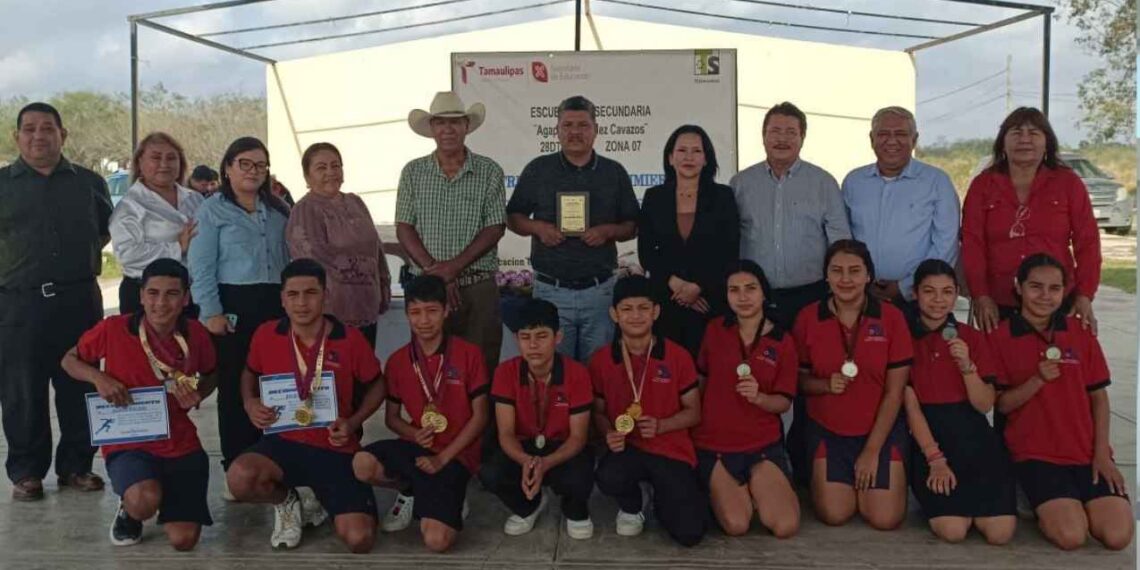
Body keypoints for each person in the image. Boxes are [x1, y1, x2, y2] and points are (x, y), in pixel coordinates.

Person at [226, 259, 385, 552]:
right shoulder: (266, 334)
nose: (302, 303)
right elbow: (250, 372)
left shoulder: (349, 338)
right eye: (293, 294)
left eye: (311, 293)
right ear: (282, 299)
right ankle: (286, 501)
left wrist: (353, 422)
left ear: (326, 295)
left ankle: (322, 499)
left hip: (335, 447)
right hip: (282, 442)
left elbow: (378, 384)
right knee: (240, 477)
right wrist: (250, 402)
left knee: (359, 540)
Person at [60, 259, 216, 550]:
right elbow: (69, 360)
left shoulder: (196, 334)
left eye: (171, 294)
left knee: (184, 541)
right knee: (144, 501)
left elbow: (211, 372)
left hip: (178, 440)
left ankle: (160, 490)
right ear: (141, 295)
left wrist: (199, 391)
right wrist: (99, 378)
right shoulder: (114, 329)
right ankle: (130, 509)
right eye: (153, 293)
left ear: (185, 298)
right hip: (129, 439)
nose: (161, 303)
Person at [0, 102, 111, 501]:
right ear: (17, 137)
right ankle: (27, 473)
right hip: (17, 306)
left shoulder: (89, 183)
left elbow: (102, 232)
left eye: (47, 128)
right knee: (21, 391)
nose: (38, 136)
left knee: (79, 386)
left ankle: (76, 466)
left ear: (63, 135)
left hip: (77, 301)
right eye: (29, 129)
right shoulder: (2, 185)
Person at [990, 254, 1133, 551]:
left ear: (1065, 291)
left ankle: (1075, 502)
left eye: (1054, 288)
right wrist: (1037, 380)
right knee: (1071, 537)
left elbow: (1099, 398)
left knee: (1118, 537)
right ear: (1018, 287)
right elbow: (1001, 405)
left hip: (1085, 452)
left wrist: (1102, 454)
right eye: (1036, 287)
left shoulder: (1079, 332)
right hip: (1036, 455)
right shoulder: (1000, 337)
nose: (1045, 296)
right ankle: (1033, 496)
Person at [353, 275, 489, 553]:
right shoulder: (398, 361)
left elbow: (480, 418)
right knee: (362, 463)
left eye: (432, 311)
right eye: (415, 312)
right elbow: (392, 418)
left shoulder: (469, 354)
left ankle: (449, 494)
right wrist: (414, 433)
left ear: (446, 311)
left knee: (437, 542)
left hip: (456, 455)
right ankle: (409, 490)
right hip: (417, 448)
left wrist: (442, 458)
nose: (423, 321)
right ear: (406, 314)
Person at [508, 95, 640, 362]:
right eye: (567, 125)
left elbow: (632, 225)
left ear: (596, 130)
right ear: (556, 130)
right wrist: (537, 227)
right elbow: (513, 216)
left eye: (583, 125)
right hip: (550, 289)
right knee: (553, 372)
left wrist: (607, 232)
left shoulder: (614, 172)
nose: (575, 132)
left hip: (599, 291)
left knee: (599, 370)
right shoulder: (538, 169)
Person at [188, 137, 291, 476]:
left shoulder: (278, 209)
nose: (253, 171)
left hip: (274, 304)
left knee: (274, 379)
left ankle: (274, 457)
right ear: (228, 168)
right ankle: (237, 463)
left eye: (260, 165)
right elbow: (201, 266)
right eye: (244, 163)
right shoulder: (212, 209)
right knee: (235, 384)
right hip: (232, 305)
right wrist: (211, 313)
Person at [793, 239, 912, 529]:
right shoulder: (808, 317)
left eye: (854, 271)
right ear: (826, 275)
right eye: (837, 271)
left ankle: (868, 479)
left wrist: (871, 452)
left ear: (868, 275)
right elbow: (798, 381)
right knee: (835, 514)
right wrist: (824, 385)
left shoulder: (892, 317)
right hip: (828, 429)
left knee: (884, 519)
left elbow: (895, 392)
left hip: (879, 430)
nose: (845, 279)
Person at [900, 259, 1016, 544]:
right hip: (930, 437)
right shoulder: (903, 337)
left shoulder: (971, 338)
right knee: (953, 531)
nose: (938, 300)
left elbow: (984, 404)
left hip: (974, 435)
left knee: (1000, 534)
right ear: (915, 293)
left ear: (956, 295)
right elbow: (909, 402)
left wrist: (967, 366)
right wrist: (935, 458)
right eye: (929, 291)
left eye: (947, 292)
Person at [590, 276, 706, 546]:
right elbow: (598, 412)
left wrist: (662, 425)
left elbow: (694, 413)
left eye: (643, 308)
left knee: (690, 533)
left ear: (656, 312)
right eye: (627, 309)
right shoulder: (601, 360)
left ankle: (662, 498)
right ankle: (632, 504)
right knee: (608, 476)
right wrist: (608, 432)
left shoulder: (678, 356)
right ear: (614, 315)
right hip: (628, 448)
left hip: (670, 448)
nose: (636, 316)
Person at [395, 91, 506, 376]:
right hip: (427, 288)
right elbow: (404, 227)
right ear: (431, 128)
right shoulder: (413, 172)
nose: (448, 129)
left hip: (477, 286)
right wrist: (436, 273)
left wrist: (450, 270)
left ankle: (479, 423)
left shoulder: (489, 171)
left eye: (455, 122)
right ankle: (433, 422)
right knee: (430, 368)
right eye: (441, 123)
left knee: (481, 369)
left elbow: (495, 227)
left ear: (466, 126)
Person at [962, 107, 1101, 333]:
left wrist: (1085, 295)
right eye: (1016, 132)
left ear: (1047, 142)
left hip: (1056, 299)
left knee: (1058, 365)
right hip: (999, 302)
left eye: (1034, 133)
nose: (1024, 139)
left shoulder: (1068, 183)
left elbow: (1088, 242)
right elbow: (972, 244)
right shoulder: (983, 185)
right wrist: (980, 295)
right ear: (1002, 143)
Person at [692, 260, 800, 538]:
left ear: (764, 292)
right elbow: (701, 381)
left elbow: (784, 402)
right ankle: (732, 492)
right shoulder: (715, 329)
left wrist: (760, 398)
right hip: (715, 443)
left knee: (785, 526)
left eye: (751, 288)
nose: (743, 297)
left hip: (761, 445)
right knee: (737, 525)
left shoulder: (782, 340)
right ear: (726, 296)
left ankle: (758, 488)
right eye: (734, 290)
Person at [479, 299, 595, 539]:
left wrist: (546, 463)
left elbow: (578, 437)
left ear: (558, 337)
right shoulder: (505, 372)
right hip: (524, 445)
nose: (533, 345)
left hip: (562, 446)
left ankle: (574, 509)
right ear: (517, 339)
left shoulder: (577, 373)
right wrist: (525, 461)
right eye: (525, 337)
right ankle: (529, 506)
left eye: (542, 336)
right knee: (491, 472)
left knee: (580, 472)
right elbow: (506, 433)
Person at [731, 102, 850, 327]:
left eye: (791, 132)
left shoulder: (823, 183)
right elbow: (729, 239)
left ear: (802, 138)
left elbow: (841, 243)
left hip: (811, 295)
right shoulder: (740, 184)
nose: (782, 139)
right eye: (775, 131)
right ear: (763, 136)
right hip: (755, 298)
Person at [638, 125, 738, 357]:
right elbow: (646, 252)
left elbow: (729, 251)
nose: (689, 157)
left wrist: (698, 287)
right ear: (671, 158)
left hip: (709, 301)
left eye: (696, 151)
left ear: (706, 159)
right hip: (666, 298)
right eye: (682, 150)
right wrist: (674, 283)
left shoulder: (723, 197)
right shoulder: (655, 197)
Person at [842, 106, 959, 304]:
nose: (892, 141)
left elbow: (946, 244)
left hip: (918, 299)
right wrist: (860, 280)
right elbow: (844, 239)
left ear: (914, 140)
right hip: (861, 295)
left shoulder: (937, 182)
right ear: (872, 139)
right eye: (883, 134)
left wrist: (906, 286)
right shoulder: (854, 182)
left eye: (901, 134)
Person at [286, 142, 390, 348]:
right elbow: (314, 262)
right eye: (321, 168)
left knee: (365, 372)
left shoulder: (356, 202)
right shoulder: (305, 210)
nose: (331, 172)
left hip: (367, 306)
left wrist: (384, 282)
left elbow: (375, 247)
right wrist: (363, 267)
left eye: (336, 166)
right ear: (307, 177)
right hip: (330, 314)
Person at [111, 132, 203, 315]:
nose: (164, 164)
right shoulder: (129, 206)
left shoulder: (195, 199)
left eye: (171, 158)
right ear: (140, 163)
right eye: (155, 158)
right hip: (147, 297)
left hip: (191, 294)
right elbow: (128, 255)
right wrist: (178, 248)